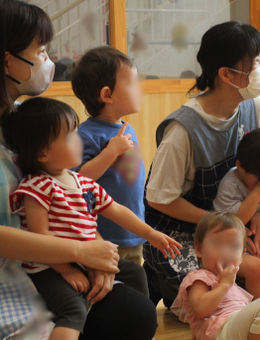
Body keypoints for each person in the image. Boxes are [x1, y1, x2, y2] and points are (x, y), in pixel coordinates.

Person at [0, 1, 158, 339]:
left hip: (70, 256)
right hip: (32, 270)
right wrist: (79, 253)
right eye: (40, 50)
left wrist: (97, 252)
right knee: (81, 313)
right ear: (7, 59)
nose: (48, 60)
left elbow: (87, 205)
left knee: (136, 307)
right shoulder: (47, 135)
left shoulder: (26, 119)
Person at [5, 97, 182, 340]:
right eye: (70, 136)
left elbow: (117, 210)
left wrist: (150, 234)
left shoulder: (84, 183)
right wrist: (66, 270)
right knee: (73, 311)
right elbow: (41, 238)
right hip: (50, 267)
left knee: (134, 272)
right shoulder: (37, 186)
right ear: (43, 153)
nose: (79, 140)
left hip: (83, 260)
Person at [143, 21, 260, 307]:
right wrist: (225, 224)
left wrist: (259, 221)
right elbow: (158, 198)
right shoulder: (183, 130)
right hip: (183, 235)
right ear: (226, 74)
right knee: (215, 306)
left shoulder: (257, 107)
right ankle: (158, 276)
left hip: (233, 228)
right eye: (253, 62)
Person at [71, 46, 146, 265]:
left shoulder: (125, 127)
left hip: (132, 231)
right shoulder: (86, 135)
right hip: (105, 236)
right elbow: (77, 181)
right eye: (132, 83)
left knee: (136, 283)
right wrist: (111, 152)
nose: (139, 88)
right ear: (107, 95)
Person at [171, 212, 260, 340]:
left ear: (242, 254)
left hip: (237, 327)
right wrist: (224, 285)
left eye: (234, 246)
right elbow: (200, 309)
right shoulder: (199, 278)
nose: (226, 252)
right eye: (217, 244)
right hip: (218, 330)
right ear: (199, 249)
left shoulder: (231, 280)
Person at [213, 127, 260, 298]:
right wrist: (258, 193)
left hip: (259, 244)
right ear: (240, 166)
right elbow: (235, 221)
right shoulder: (231, 184)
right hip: (225, 249)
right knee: (255, 267)